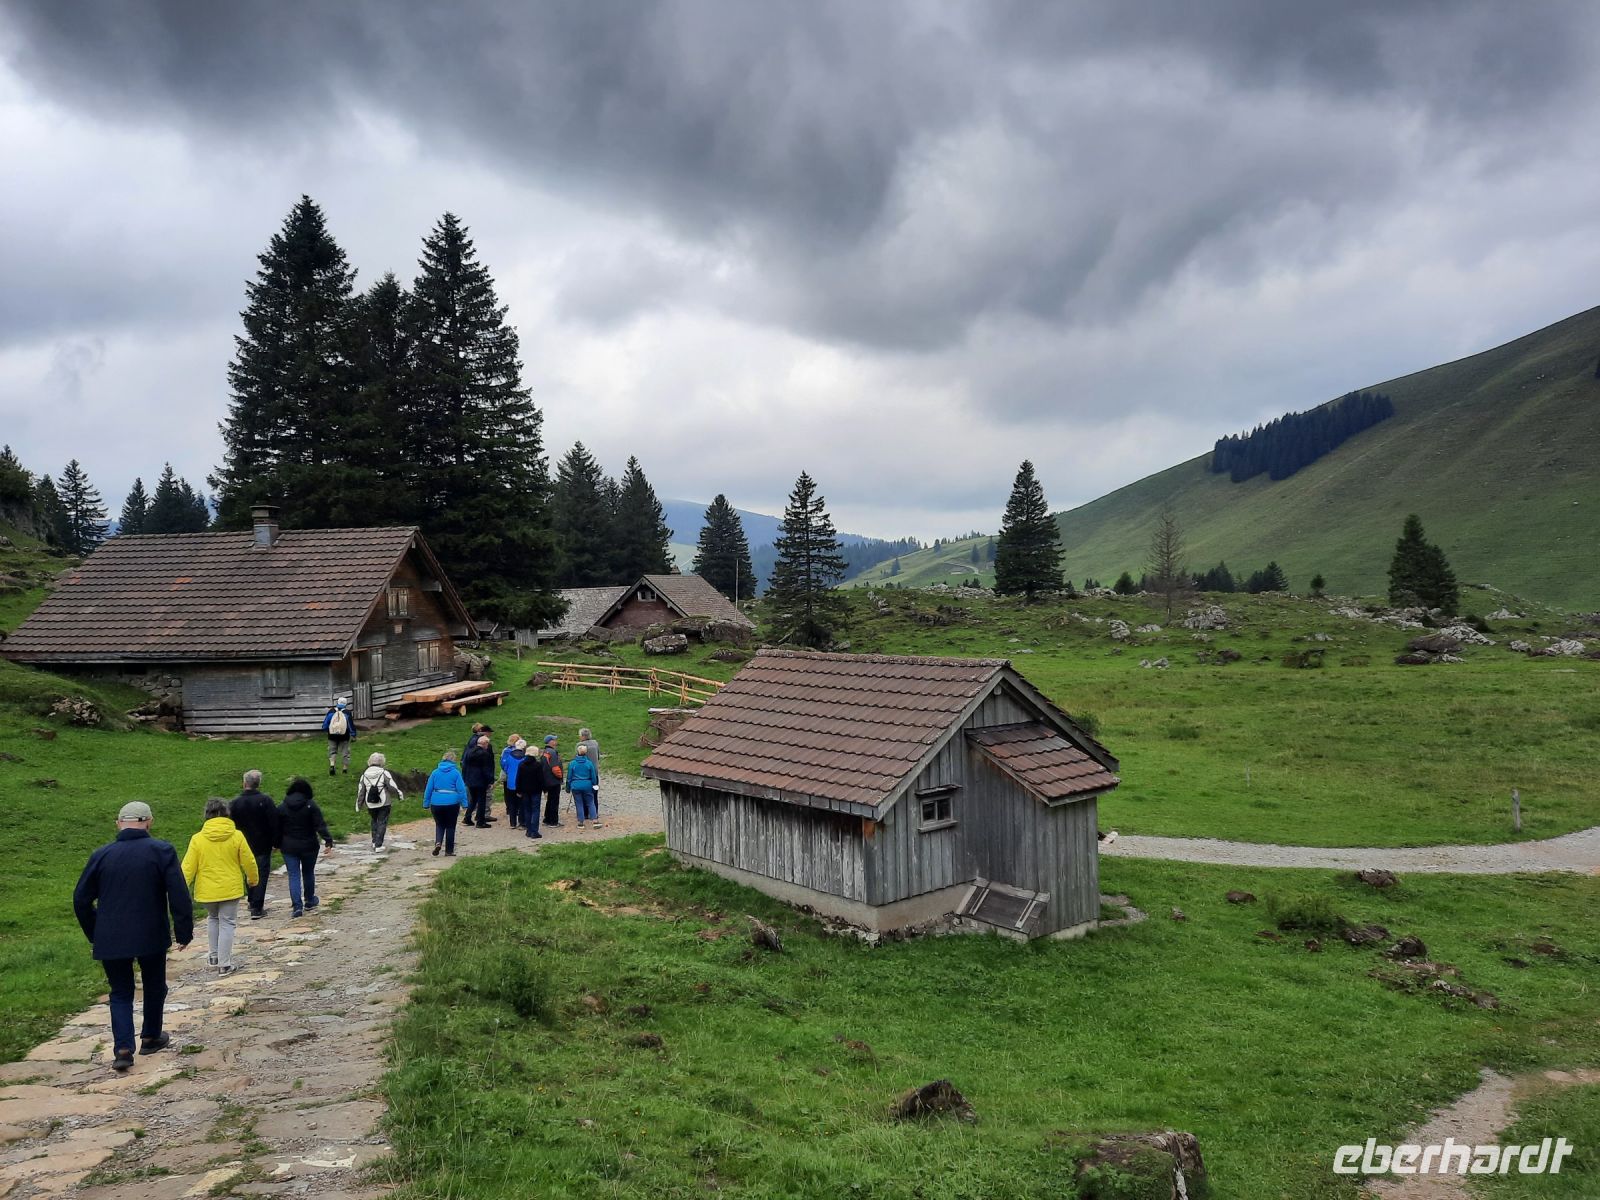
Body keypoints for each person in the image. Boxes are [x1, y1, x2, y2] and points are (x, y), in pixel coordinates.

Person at [73, 801, 193, 1072]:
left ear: (118, 823)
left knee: (120, 992)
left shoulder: (101, 855)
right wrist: (183, 931)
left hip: (111, 937)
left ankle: (123, 1048)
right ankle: (151, 1036)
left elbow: (81, 899)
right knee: (154, 985)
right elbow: (178, 893)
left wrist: (95, 932)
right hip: (151, 933)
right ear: (149, 822)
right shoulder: (161, 850)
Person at [181, 797, 259, 976]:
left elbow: (188, 866)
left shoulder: (197, 839)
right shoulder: (236, 835)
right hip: (230, 887)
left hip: (207, 889)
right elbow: (249, 860)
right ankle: (224, 964)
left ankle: (214, 955)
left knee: (213, 918)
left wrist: (181, 887)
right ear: (227, 813)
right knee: (227, 922)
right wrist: (253, 879)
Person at [277, 777, 334, 918]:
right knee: (308, 872)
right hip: (309, 845)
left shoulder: (282, 807)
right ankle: (309, 899)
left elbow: (277, 827)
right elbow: (320, 824)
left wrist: (276, 843)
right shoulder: (311, 805)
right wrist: (328, 839)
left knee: (293, 875)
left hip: (289, 846)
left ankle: (297, 906)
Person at [229, 769, 279, 920]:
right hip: (263, 843)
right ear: (258, 784)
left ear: (244, 783)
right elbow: (274, 823)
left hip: (242, 843)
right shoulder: (266, 800)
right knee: (261, 874)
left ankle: (251, 899)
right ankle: (257, 906)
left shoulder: (235, 803)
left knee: (247, 871)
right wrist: (276, 842)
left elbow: (230, 824)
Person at [356, 752, 404, 850]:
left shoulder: (364, 775)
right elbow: (392, 786)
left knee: (374, 821)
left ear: (369, 761)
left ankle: (374, 841)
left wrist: (358, 805)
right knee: (382, 822)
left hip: (370, 803)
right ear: (382, 762)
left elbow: (361, 791)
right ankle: (378, 845)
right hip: (384, 802)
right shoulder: (384, 773)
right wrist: (399, 795)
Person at [424, 750, 467, 857]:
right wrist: (464, 804)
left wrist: (426, 803)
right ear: (453, 761)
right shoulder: (456, 773)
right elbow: (461, 790)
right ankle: (449, 851)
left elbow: (428, 789)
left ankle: (438, 842)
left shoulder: (435, 772)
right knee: (450, 826)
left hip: (436, 802)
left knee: (439, 824)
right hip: (452, 803)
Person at [462, 733, 495, 829]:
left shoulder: (469, 752)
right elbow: (486, 769)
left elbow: (465, 766)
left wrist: (465, 777)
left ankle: (467, 818)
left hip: (470, 779)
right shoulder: (485, 754)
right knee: (481, 800)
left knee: (473, 799)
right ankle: (480, 821)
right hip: (480, 780)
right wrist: (490, 781)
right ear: (485, 743)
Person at [516, 738, 544, 840]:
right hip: (536, 791)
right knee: (535, 810)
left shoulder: (522, 764)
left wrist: (518, 790)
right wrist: (544, 790)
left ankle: (528, 830)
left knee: (527, 810)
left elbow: (518, 778)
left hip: (524, 791)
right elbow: (541, 779)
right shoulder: (537, 765)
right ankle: (534, 831)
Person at [566, 744, 600, 829]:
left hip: (576, 785)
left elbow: (569, 777)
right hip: (587, 785)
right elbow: (593, 776)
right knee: (590, 802)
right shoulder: (589, 763)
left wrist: (568, 787)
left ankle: (581, 822)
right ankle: (595, 820)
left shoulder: (572, 763)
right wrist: (594, 785)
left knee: (579, 803)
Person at [322, 697, 358, 776]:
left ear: (337, 702)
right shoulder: (347, 713)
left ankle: (332, 765)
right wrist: (353, 734)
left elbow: (325, 724)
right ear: (346, 704)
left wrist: (326, 730)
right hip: (344, 736)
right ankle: (344, 769)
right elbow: (350, 725)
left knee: (332, 751)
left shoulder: (331, 711)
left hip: (332, 735)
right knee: (345, 752)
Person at [540, 734, 565, 828]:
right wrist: (560, 777)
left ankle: (547, 819)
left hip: (546, 780)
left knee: (549, 800)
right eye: (554, 740)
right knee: (554, 801)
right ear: (550, 741)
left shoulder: (544, 752)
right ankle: (553, 822)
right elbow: (555, 768)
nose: (556, 741)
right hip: (554, 781)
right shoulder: (553, 752)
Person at [500, 733, 524, 829]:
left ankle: (512, 821)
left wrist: (508, 771)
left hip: (509, 778)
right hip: (517, 779)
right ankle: (521, 820)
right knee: (519, 799)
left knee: (510, 798)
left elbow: (503, 763)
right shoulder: (521, 754)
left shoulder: (506, 751)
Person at [577, 726, 601, 819]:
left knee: (583, 793)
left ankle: (585, 813)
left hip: (583, 774)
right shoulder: (595, 743)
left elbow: (577, 758)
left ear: (583, 736)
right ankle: (594, 812)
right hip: (594, 772)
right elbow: (598, 756)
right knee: (594, 793)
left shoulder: (579, 745)